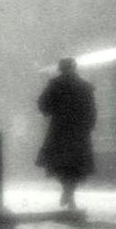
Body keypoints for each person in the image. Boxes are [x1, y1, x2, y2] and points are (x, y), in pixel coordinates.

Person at [36, 57, 96, 209]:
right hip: (79, 131)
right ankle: (70, 192)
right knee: (77, 164)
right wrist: (89, 125)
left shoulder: (55, 84)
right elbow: (92, 109)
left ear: (60, 68)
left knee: (59, 164)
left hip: (59, 129)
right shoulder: (85, 86)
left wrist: (50, 111)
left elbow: (43, 104)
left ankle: (66, 190)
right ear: (74, 67)